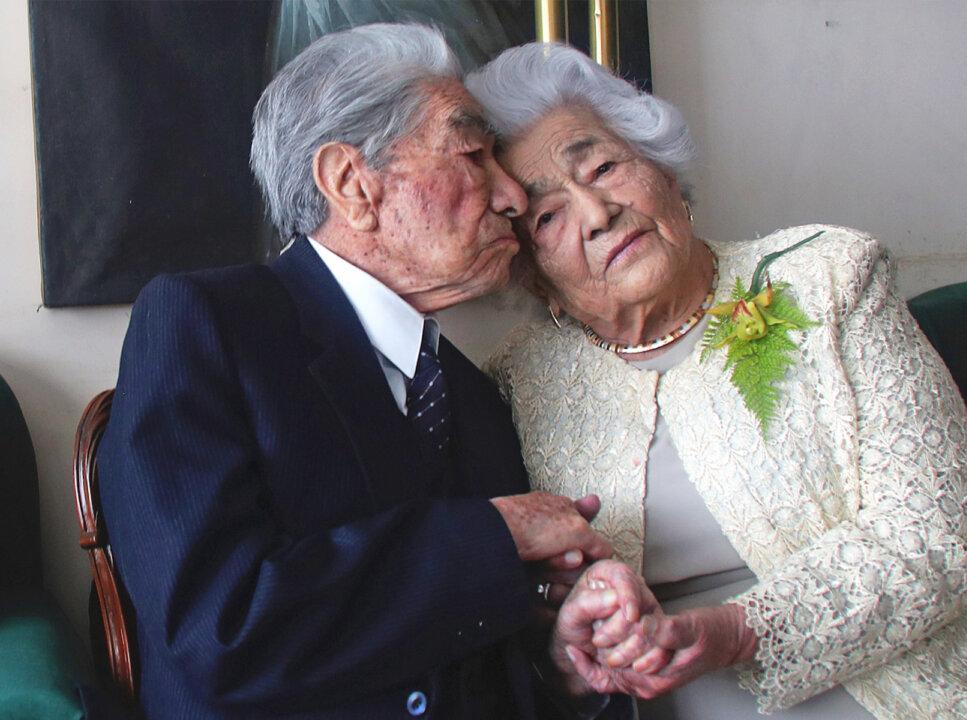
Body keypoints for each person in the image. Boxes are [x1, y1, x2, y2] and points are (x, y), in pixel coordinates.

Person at [466, 42, 967, 718]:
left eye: (606, 166)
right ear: (531, 274)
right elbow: (524, 616)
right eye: (548, 216)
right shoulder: (518, 381)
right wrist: (569, 649)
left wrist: (730, 632)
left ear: (665, 171)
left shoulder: (830, 280)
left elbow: (934, 538)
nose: (596, 211)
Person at [97, 24, 632, 719]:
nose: (514, 198)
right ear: (353, 184)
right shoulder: (206, 326)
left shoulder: (472, 395)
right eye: (473, 155)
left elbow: (474, 663)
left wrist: (564, 668)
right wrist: (497, 536)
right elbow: (219, 632)